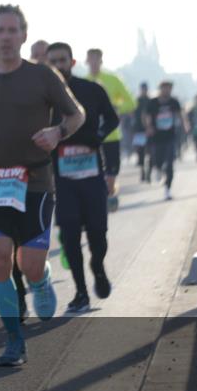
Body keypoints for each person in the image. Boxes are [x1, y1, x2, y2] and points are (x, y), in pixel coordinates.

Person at [0, 5, 84, 367]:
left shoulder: (43, 77)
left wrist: (58, 131)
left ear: (22, 36)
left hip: (34, 182)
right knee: (0, 259)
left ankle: (41, 279)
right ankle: (14, 339)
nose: (5, 36)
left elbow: (76, 114)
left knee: (30, 265)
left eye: (12, 30)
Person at [46, 43, 119, 313]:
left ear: (72, 62)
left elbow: (113, 119)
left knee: (98, 232)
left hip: (92, 174)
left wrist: (97, 139)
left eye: (62, 60)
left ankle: (97, 267)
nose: (58, 65)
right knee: (69, 234)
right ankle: (80, 292)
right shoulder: (44, 97)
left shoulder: (92, 90)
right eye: (53, 61)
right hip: (62, 178)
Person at [85, 49, 135, 212]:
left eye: (96, 59)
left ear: (101, 60)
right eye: (90, 59)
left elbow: (131, 103)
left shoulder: (113, 80)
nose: (93, 62)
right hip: (90, 137)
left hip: (111, 134)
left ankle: (110, 193)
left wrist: (115, 108)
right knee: (93, 173)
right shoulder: (83, 82)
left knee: (112, 171)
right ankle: (99, 200)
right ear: (87, 61)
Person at [144, 80, 187, 200]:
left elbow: (180, 114)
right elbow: (147, 116)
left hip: (170, 136)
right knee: (158, 160)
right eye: (164, 88)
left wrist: (185, 125)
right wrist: (148, 127)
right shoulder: (153, 103)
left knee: (170, 163)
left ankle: (167, 189)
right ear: (160, 89)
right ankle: (157, 168)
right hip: (157, 137)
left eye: (169, 88)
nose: (167, 90)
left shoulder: (174, 102)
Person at [133, 82, 152, 182]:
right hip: (139, 130)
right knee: (141, 153)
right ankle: (142, 172)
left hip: (149, 130)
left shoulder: (151, 101)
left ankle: (149, 172)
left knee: (150, 152)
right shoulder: (137, 101)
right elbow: (133, 115)